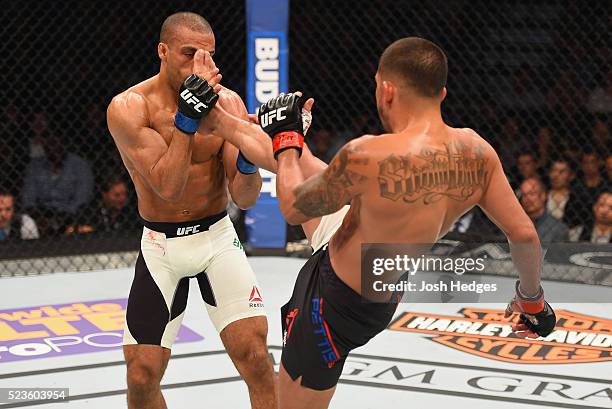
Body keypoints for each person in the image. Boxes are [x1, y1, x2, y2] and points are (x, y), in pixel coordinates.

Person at [210, 37, 557, 409]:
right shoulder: (477, 152)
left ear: (387, 90)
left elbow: (294, 208)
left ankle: (228, 122)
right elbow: (522, 235)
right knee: (296, 161)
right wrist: (532, 300)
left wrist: (288, 138)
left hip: (333, 302)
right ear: (441, 92)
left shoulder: (367, 154)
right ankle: (214, 117)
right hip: (381, 282)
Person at [106, 12, 275, 409]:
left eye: (208, 55)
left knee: (256, 357)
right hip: (162, 247)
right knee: (141, 375)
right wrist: (188, 119)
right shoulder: (130, 108)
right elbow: (167, 186)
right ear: (162, 51)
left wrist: (248, 160)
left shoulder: (228, 103)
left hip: (217, 239)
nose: (200, 64)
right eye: (188, 53)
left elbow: (246, 197)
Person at [21, 134, 94, 236]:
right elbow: (29, 199)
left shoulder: (79, 165)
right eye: (50, 143)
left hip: (71, 216)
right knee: (27, 224)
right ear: (44, 145)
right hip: (41, 217)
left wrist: (65, 217)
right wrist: (39, 218)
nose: (54, 148)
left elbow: (82, 199)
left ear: (64, 143)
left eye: (56, 143)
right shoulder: (34, 167)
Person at [68, 174, 139, 234]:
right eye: (117, 195)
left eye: (125, 194)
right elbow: (70, 230)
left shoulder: (131, 212)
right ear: (104, 194)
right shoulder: (90, 212)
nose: (122, 199)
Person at [519, 177, 569, 242]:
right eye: (524, 195)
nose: (527, 199)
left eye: (532, 194)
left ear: (543, 195)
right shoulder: (514, 225)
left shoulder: (558, 228)